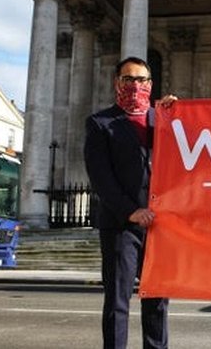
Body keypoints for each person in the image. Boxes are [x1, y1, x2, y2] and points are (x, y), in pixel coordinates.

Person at [84, 56, 169, 349]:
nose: (136, 86)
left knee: (157, 301)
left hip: (160, 225)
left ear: (151, 84)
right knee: (118, 302)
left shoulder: (163, 120)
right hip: (121, 225)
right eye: (128, 79)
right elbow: (100, 178)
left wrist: (179, 113)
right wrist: (131, 211)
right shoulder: (100, 123)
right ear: (117, 83)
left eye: (142, 80)